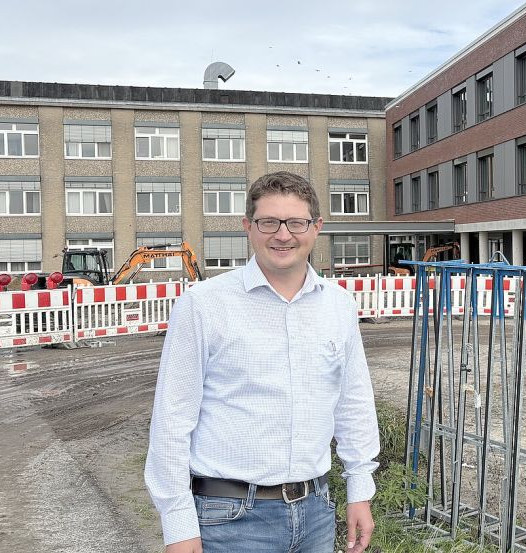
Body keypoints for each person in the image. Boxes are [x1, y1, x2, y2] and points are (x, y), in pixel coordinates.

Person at [145, 171, 380, 553]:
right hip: (229, 520)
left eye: (296, 222)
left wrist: (360, 490)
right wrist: (178, 524)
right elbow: (172, 419)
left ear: (316, 227)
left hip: (317, 512)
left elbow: (353, 403)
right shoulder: (204, 304)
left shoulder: (339, 305)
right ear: (248, 227)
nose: (283, 235)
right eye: (268, 222)